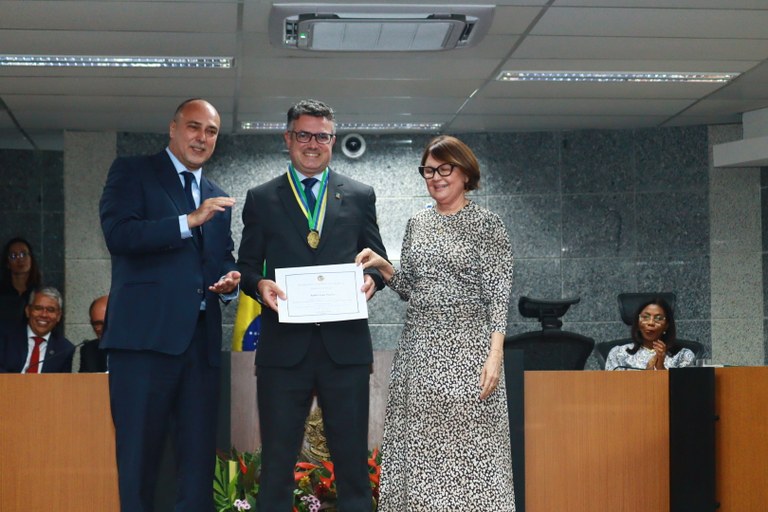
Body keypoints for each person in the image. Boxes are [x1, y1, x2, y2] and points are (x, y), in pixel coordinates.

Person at [237, 99, 388, 511]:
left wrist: (372, 280)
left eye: (321, 136)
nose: (312, 143)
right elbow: (246, 266)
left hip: (345, 351)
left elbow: (378, 259)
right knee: (277, 466)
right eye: (303, 134)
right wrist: (259, 284)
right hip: (283, 352)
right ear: (288, 139)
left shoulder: (359, 195)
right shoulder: (261, 198)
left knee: (354, 468)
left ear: (333, 141)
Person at [355, 135, 516, 511]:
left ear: (465, 173)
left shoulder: (487, 224)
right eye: (429, 170)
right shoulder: (417, 223)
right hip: (420, 350)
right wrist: (382, 265)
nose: (435, 177)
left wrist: (495, 356)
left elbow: (498, 292)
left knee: (471, 453)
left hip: (469, 351)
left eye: (445, 168)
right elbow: (409, 287)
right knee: (422, 454)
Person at [99, 98, 240, 511]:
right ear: (173, 129)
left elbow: (221, 257)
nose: (202, 138)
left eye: (211, 131)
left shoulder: (218, 196)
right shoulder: (133, 172)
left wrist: (231, 282)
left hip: (200, 348)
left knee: (197, 464)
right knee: (139, 461)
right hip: (143, 346)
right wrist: (187, 221)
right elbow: (119, 235)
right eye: (194, 127)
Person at [605, 297, 695, 370]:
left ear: (666, 325)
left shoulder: (683, 356)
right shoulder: (618, 354)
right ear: (637, 322)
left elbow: (683, 390)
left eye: (658, 318)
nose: (651, 323)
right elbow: (611, 389)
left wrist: (660, 367)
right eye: (645, 317)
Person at [0, 286, 74, 373]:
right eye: (38, 308)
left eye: (50, 310)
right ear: (28, 311)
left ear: (58, 316)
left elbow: (62, 384)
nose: (44, 315)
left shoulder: (64, 349)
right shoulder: (5, 337)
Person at [0, 237, 42, 328]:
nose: (20, 259)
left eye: (23, 254)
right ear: (7, 263)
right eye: (14, 256)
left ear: (31, 258)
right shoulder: (2, 292)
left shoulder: (40, 293)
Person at [79, 294, 108, 373]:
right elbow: (83, 383)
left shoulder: (138, 349)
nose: (100, 328)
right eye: (97, 324)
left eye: (106, 322)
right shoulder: (89, 350)